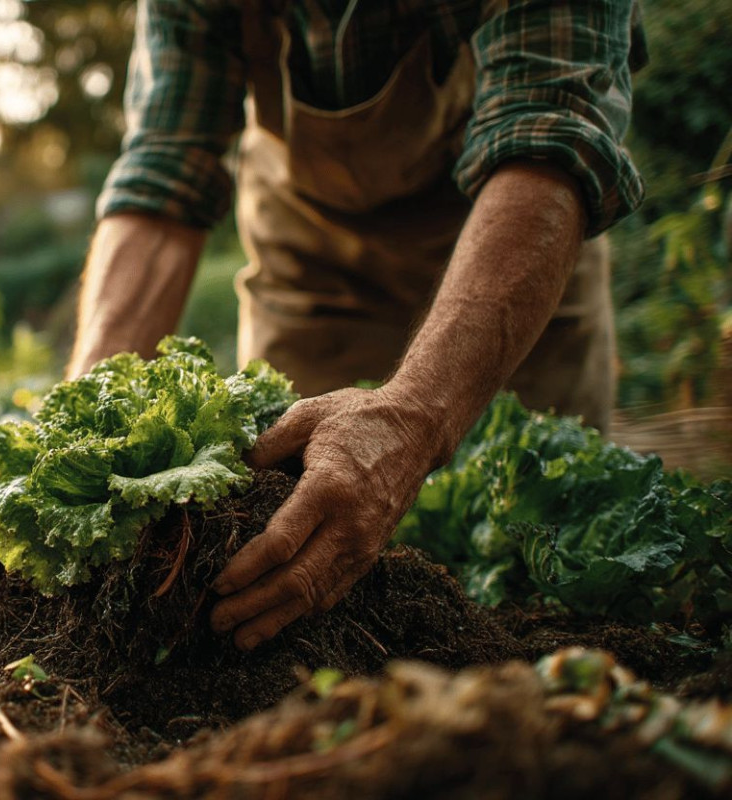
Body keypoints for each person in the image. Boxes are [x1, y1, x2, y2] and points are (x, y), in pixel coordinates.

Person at [69, 0, 646, 649]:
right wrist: (81, 426)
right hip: (312, 260)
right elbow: (165, 171)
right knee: (291, 544)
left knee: (536, 568)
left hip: (510, 242)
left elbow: (552, 130)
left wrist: (418, 414)